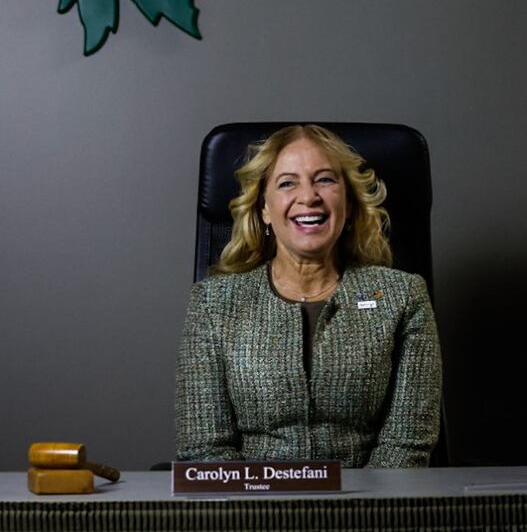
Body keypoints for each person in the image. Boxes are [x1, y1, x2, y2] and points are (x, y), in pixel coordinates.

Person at [174, 124, 442, 467]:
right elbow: (205, 451)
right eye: (287, 183)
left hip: (372, 510)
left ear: (348, 202)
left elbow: (406, 447)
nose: (309, 196)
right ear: (264, 210)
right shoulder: (213, 305)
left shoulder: (403, 297)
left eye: (325, 180)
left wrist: (359, 513)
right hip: (251, 511)